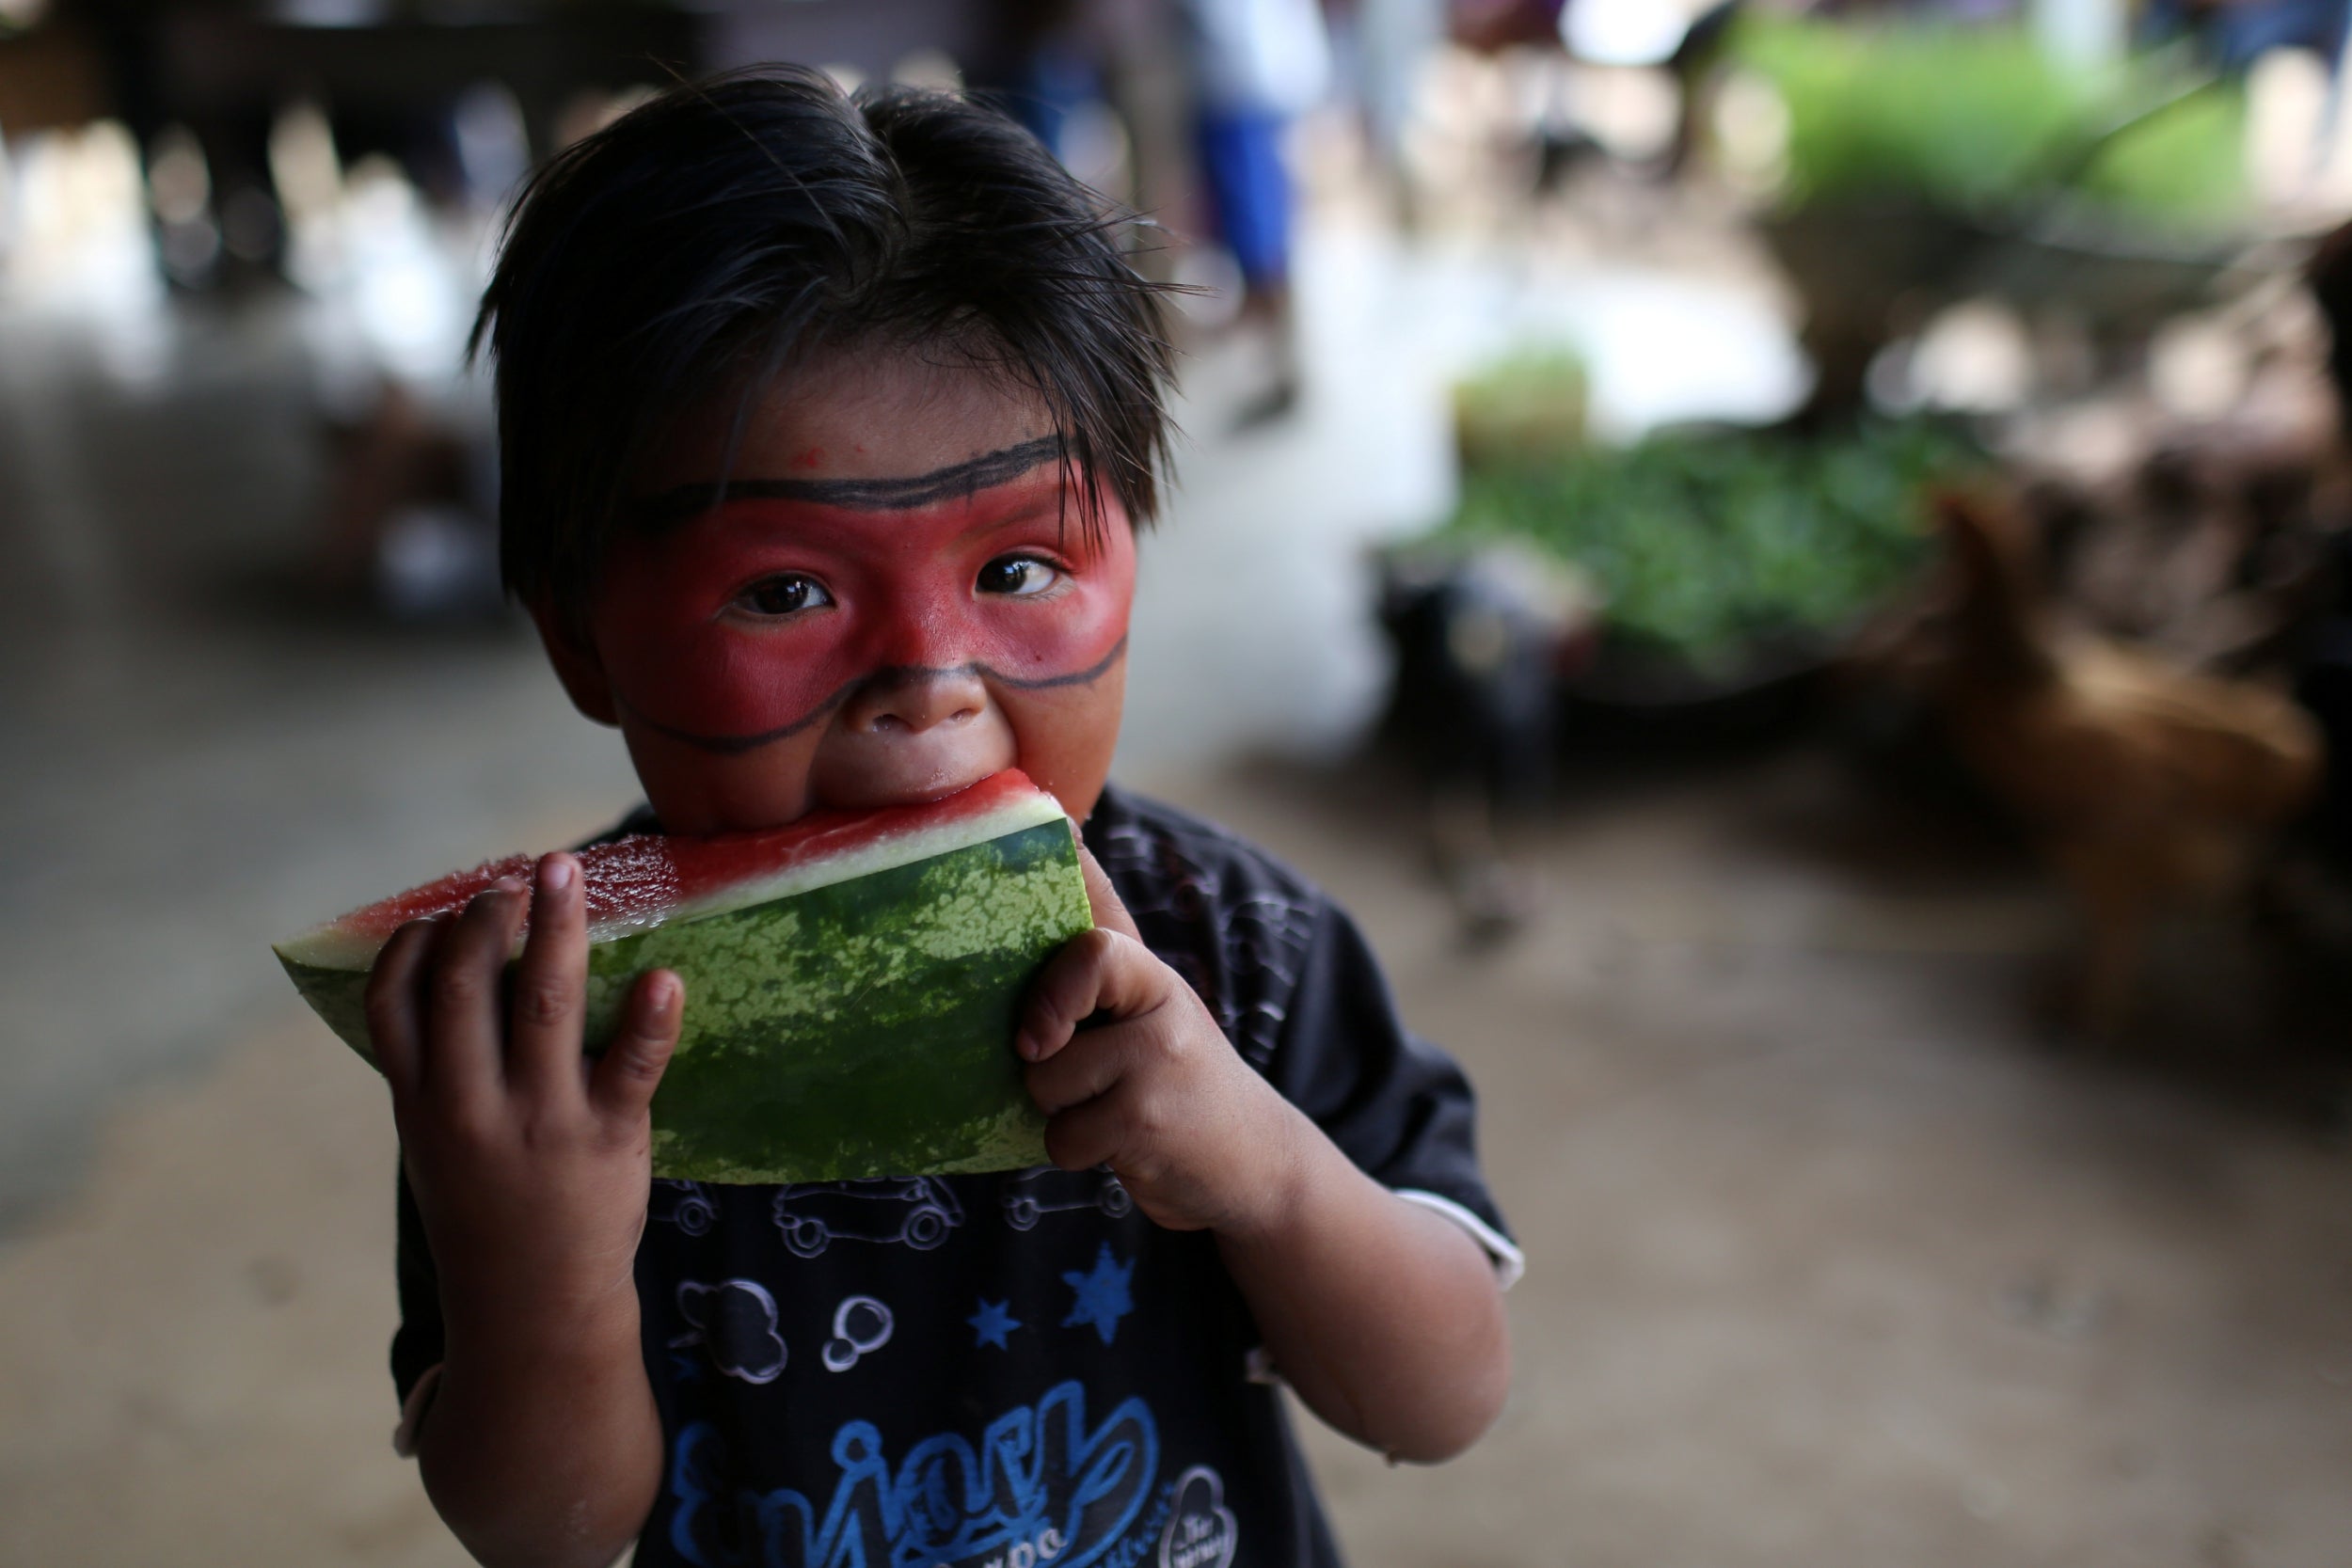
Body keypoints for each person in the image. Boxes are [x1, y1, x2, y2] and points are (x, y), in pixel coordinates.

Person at [364, 67, 1517, 1568]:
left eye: (1019, 569)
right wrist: (547, 1270)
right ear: (581, 636)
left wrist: (1264, 1165)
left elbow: (1440, 1400)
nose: (927, 678)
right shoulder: (543, 1028)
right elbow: (547, 1534)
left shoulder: (1241, 948)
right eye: (787, 590)